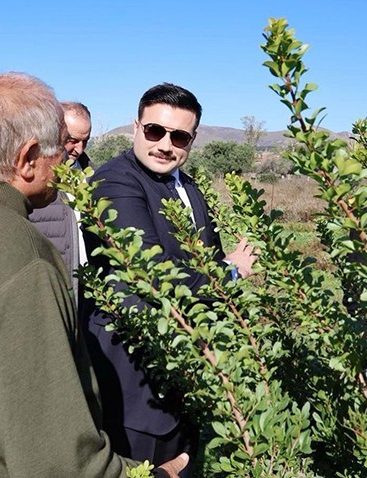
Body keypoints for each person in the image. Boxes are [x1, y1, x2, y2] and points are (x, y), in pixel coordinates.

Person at [0, 73, 187, 477]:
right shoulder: (20, 258)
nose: (67, 161)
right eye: (60, 149)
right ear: (28, 157)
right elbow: (61, 463)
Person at [83, 83, 257, 474]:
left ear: (192, 140)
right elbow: (152, 271)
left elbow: (206, 257)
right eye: (154, 131)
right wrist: (231, 272)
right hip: (135, 376)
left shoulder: (188, 186)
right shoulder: (114, 182)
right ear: (136, 127)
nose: (165, 145)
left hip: (184, 366)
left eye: (179, 137)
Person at [29, 102, 92, 300]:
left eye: (85, 141)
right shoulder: (33, 183)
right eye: (72, 140)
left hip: (89, 293)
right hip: (49, 292)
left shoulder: (93, 179)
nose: (78, 149)